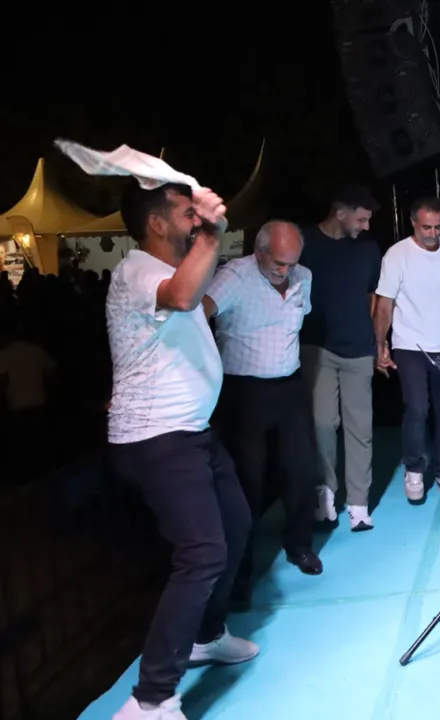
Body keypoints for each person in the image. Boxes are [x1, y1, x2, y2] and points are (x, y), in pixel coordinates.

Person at [107, 182, 256, 720]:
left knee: (235, 527)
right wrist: (213, 232)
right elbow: (182, 297)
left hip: (191, 432)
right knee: (202, 554)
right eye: (186, 214)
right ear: (155, 223)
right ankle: (150, 699)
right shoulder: (138, 270)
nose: (195, 220)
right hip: (157, 437)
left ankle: (206, 636)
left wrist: (205, 238)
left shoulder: (173, 268)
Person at [204, 221, 324, 609]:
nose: (286, 271)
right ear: (258, 253)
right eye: (278, 263)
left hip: (288, 385)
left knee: (301, 470)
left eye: (292, 262)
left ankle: (299, 546)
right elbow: (196, 315)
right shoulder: (233, 277)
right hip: (243, 391)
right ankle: (240, 577)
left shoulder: (304, 277)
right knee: (247, 484)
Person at [374, 197, 440, 502]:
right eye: (426, 227)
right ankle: (414, 469)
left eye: (437, 227)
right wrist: (380, 344)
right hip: (410, 345)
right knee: (417, 408)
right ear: (413, 222)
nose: (432, 233)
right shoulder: (397, 255)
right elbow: (384, 304)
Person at [298, 185, 382, 531]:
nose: (366, 226)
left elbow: (373, 297)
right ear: (341, 212)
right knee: (321, 425)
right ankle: (325, 495)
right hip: (316, 347)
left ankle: (358, 504)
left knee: (360, 428)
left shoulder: (369, 249)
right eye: (361, 219)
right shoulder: (304, 243)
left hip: (358, 348)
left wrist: (377, 342)